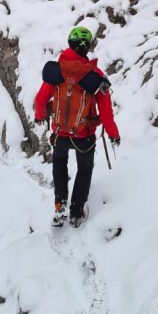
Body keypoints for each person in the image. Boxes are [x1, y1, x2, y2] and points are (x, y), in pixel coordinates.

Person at [34, 26, 121, 227]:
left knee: (59, 164)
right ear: (88, 47)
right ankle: (76, 211)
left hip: (60, 134)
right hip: (84, 135)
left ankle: (60, 205)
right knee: (84, 170)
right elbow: (106, 113)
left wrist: (40, 117)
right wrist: (113, 134)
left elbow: (41, 99)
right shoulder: (95, 76)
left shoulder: (57, 71)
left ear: (70, 44)